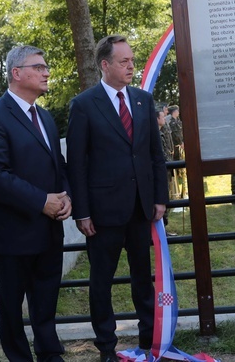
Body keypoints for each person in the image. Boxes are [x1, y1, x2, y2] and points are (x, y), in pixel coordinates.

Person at [67, 35, 168, 362]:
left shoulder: (142, 100)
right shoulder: (83, 104)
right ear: (105, 64)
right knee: (101, 283)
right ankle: (106, 349)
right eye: (124, 61)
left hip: (141, 209)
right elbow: (77, 164)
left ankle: (149, 341)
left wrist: (160, 198)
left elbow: (155, 154)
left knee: (143, 279)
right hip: (102, 214)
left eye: (132, 60)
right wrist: (81, 211)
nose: (131, 66)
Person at [0, 45, 72, 362]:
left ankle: (49, 354)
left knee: (45, 301)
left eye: (46, 66)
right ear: (17, 73)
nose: (47, 72)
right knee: (11, 307)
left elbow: (58, 163)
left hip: (48, 230)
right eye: (39, 67)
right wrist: (41, 200)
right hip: (11, 234)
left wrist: (66, 195)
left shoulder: (44, 116)